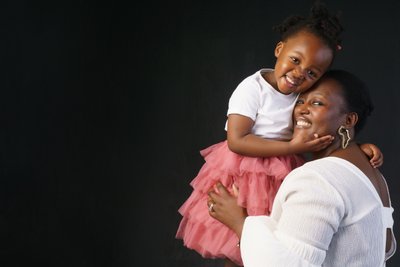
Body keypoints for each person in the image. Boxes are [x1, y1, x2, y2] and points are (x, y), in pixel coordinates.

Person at [176, 2, 382, 266]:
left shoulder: (298, 94)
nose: (299, 74)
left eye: (311, 73)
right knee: (237, 247)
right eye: (295, 61)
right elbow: (237, 141)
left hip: (280, 170)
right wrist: (292, 146)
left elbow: (324, 130)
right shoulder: (253, 88)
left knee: (270, 239)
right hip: (247, 168)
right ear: (279, 49)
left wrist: (358, 147)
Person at [208, 69, 396, 267]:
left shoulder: (318, 178)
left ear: (349, 120)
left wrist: (241, 223)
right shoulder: (370, 173)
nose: (301, 110)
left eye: (317, 103)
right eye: (299, 101)